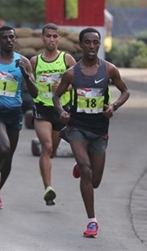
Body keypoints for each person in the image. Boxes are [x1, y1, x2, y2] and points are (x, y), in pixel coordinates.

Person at [53, 27, 130, 238]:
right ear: (81, 45)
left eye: (96, 42)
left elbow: (125, 91)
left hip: (99, 129)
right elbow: (57, 97)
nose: (92, 46)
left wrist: (113, 107)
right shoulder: (72, 73)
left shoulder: (109, 70)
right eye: (88, 42)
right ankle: (92, 221)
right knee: (86, 171)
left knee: (94, 181)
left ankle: (80, 165)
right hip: (77, 127)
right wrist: (61, 112)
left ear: (99, 45)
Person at [0, 25, 38, 209]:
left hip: (14, 113)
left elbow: (35, 93)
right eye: (5, 37)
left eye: (11, 37)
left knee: (9, 156)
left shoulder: (23, 61)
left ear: (15, 39)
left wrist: (25, 74)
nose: (8, 40)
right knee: (4, 148)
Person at [30, 23, 76, 206]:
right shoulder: (35, 61)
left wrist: (66, 86)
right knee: (47, 147)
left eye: (55, 36)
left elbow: (80, 82)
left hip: (61, 109)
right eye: (48, 36)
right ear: (42, 38)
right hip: (42, 108)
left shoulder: (67, 59)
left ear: (59, 39)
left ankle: (44, 166)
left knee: (52, 151)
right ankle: (48, 189)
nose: (51, 39)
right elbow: (30, 85)